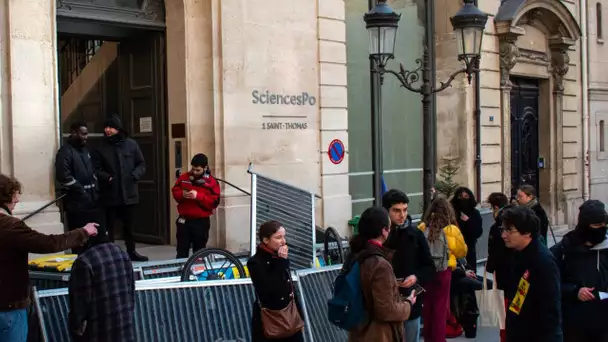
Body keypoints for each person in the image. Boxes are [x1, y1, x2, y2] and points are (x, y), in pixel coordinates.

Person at [0, 174, 97, 342]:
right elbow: (48, 243)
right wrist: (83, 232)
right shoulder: (9, 226)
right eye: (13, 195)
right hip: (8, 307)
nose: (16, 201)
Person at [346, 206, 414, 342]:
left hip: (357, 330)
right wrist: (408, 304)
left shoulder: (355, 254)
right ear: (384, 231)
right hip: (378, 334)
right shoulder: (380, 264)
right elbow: (385, 310)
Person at [501, 206, 562, 342]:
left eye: (509, 230)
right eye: (503, 229)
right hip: (519, 330)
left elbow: (550, 309)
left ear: (527, 233)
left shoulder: (543, 261)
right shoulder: (518, 254)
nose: (504, 235)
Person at [551, 200, 608, 342]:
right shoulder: (564, 249)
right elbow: (551, 282)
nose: (601, 228)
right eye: (596, 225)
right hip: (574, 322)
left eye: (604, 225)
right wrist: (574, 291)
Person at [93, 114, 148, 262]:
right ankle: (111, 255)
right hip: (110, 194)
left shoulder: (131, 144)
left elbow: (141, 164)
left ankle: (132, 251)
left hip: (129, 194)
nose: (107, 130)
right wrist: (107, 177)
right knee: (110, 227)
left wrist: (134, 175)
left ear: (117, 128)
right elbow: (96, 169)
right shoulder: (101, 147)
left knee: (129, 227)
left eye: (110, 127)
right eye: (106, 127)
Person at [382, 189, 434, 342]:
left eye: (404, 210)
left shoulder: (415, 234)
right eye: (396, 211)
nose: (402, 215)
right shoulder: (379, 236)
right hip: (386, 302)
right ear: (386, 211)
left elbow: (429, 267)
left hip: (411, 301)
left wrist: (415, 277)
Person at [417, 195, 468, 342]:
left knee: (427, 307)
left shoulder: (422, 227)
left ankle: (429, 338)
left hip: (426, 272)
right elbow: (461, 252)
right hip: (444, 272)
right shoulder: (452, 229)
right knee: (440, 309)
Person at [68, 233, 135, 342]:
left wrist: (75, 329)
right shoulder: (121, 253)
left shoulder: (84, 261)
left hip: (99, 332)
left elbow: (79, 307)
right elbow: (131, 293)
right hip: (125, 330)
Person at [248, 221, 304, 342]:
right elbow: (268, 290)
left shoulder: (279, 257)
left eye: (284, 236)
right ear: (266, 240)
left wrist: (300, 315)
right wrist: (281, 263)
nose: (283, 241)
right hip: (271, 320)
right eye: (278, 237)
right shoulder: (256, 262)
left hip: (290, 317)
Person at [55, 121, 104, 254]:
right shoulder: (65, 151)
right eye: (83, 134)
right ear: (74, 133)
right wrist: (81, 191)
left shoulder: (86, 151)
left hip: (92, 200)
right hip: (76, 203)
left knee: (96, 238)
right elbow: (63, 175)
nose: (86, 137)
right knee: (80, 240)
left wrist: (95, 189)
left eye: (87, 134)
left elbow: (92, 172)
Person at [171, 153, 221, 258]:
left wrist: (198, 196)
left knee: (199, 253)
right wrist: (182, 194)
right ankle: (181, 272)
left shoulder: (211, 182)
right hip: (184, 220)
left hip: (200, 222)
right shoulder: (184, 177)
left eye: (197, 170)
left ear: (205, 168)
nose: (194, 172)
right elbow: (175, 191)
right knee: (181, 251)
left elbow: (214, 202)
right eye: (193, 169)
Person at [486, 193, 514, 342]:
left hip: (504, 272)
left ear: (495, 207)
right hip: (510, 271)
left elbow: (496, 250)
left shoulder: (499, 225)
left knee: (505, 310)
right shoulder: (512, 218)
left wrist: (490, 267)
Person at [451, 187, 483, 269]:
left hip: (469, 248)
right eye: (460, 196)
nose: (463, 199)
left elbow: (478, 232)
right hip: (453, 250)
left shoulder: (475, 213)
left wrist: (469, 221)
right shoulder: (452, 213)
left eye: (466, 196)